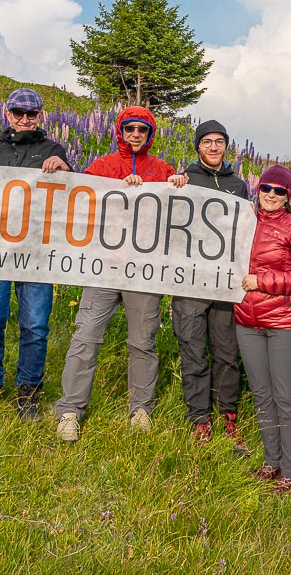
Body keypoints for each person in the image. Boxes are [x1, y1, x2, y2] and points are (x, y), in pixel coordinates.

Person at [55, 106, 187, 442]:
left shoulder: (162, 168)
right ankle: (70, 410)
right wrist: (117, 186)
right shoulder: (102, 165)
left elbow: (179, 211)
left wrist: (179, 185)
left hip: (144, 269)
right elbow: (80, 199)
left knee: (143, 341)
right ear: (121, 130)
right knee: (85, 336)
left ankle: (141, 409)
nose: (136, 135)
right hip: (104, 265)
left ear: (150, 134)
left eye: (143, 130)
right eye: (130, 129)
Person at [0, 88, 72, 420]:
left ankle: (29, 390)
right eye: (18, 113)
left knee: (36, 325)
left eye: (32, 113)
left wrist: (66, 169)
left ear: (41, 116)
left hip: (37, 252)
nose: (25, 119)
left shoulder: (54, 149)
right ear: (7, 114)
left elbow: (75, 199)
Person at [234, 164, 291, 493]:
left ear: (288, 196)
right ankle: (272, 461)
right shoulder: (242, 223)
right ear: (258, 190)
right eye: (266, 188)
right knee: (262, 395)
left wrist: (262, 281)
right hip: (248, 322)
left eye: (278, 190)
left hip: (285, 324)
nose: (271, 195)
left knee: (287, 398)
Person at [170, 120, 249, 451]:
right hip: (190, 279)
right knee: (192, 349)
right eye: (207, 142)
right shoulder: (184, 180)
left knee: (227, 351)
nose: (214, 147)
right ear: (198, 146)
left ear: (226, 146)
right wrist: (171, 186)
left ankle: (227, 415)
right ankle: (199, 418)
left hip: (225, 281)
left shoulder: (239, 186)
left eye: (219, 142)